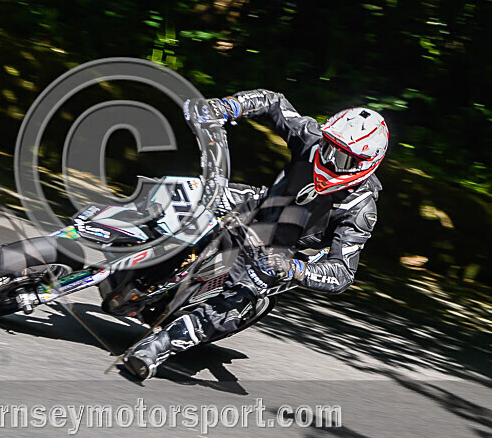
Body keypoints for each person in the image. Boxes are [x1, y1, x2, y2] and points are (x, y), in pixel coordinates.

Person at [123, 90, 389, 379]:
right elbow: (274, 103)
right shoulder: (311, 138)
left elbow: (341, 273)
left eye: (342, 158)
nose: (329, 160)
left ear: (365, 164)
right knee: (178, 191)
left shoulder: (361, 209)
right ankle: (108, 233)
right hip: (256, 203)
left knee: (244, 294)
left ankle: (160, 346)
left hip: (276, 251)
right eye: (328, 147)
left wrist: (294, 268)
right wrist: (226, 107)